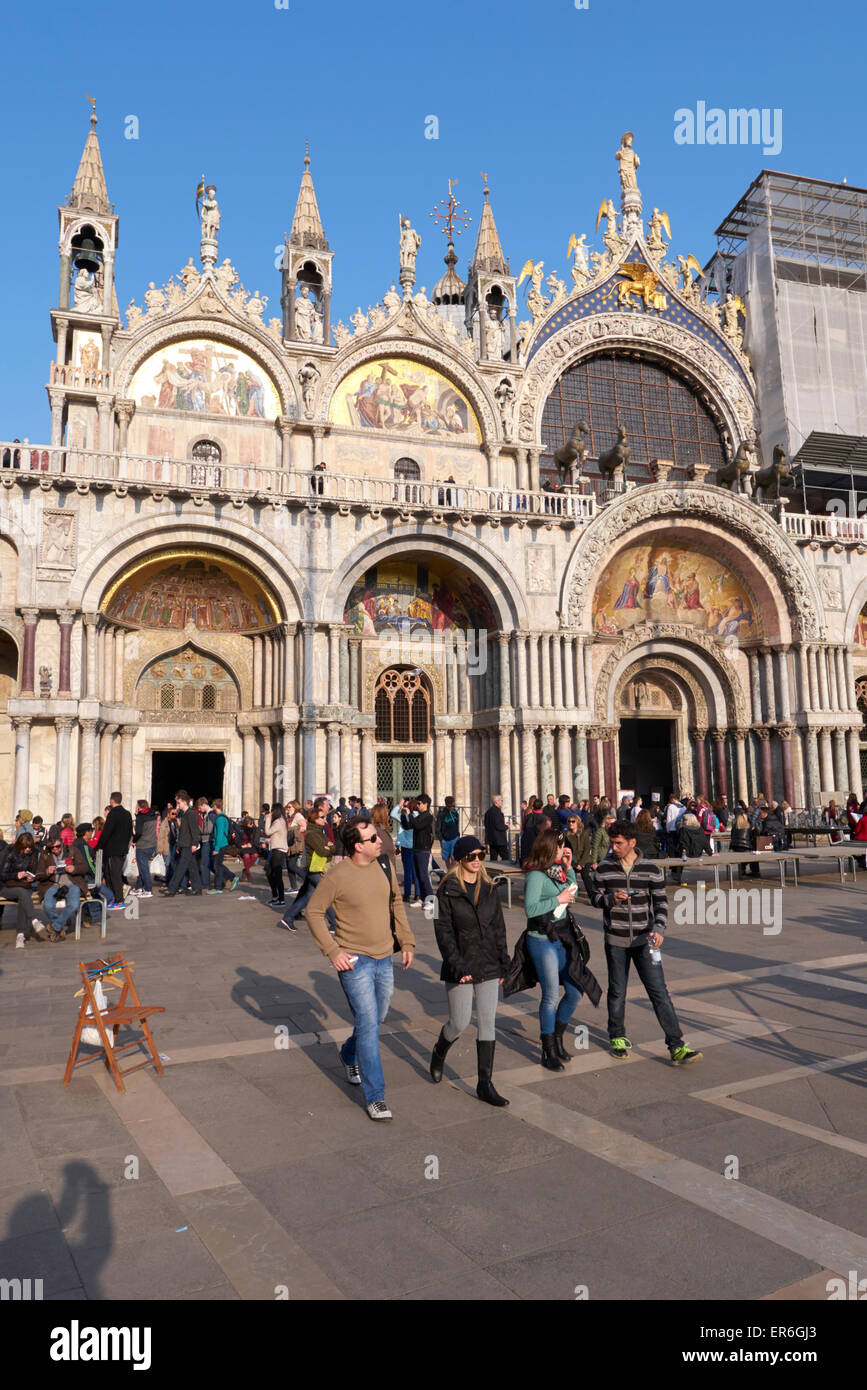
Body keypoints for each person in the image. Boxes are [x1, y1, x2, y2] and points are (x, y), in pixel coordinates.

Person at [306, 816, 415, 1122]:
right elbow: (313, 911)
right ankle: (376, 1096)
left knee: (376, 1018)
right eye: (373, 838)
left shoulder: (384, 866)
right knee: (368, 1022)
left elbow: (396, 903)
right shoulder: (337, 875)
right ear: (357, 846)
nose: (381, 841)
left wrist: (406, 942)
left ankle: (348, 1054)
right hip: (354, 961)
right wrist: (332, 950)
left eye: (378, 836)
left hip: (384, 956)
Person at [588, 821, 702, 1065]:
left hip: (645, 939)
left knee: (659, 992)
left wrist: (659, 928)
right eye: (612, 842)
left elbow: (661, 903)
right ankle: (617, 1037)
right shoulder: (605, 868)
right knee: (617, 991)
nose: (614, 847)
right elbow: (595, 898)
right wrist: (610, 898)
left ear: (632, 843)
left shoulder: (651, 869)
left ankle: (676, 1044)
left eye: (619, 843)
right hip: (616, 939)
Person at [504, 829, 600, 1070]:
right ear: (548, 847)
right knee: (550, 996)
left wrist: (568, 867)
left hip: (562, 937)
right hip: (541, 939)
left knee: (575, 990)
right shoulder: (536, 875)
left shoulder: (557, 871)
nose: (562, 849)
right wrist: (557, 900)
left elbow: (572, 893)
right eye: (559, 846)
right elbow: (531, 909)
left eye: (563, 845)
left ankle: (557, 1037)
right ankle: (547, 1050)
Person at [430, 836, 511, 1106]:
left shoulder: (490, 888)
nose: (477, 861)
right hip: (461, 965)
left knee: (488, 1021)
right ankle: (440, 1049)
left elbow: (499, 928)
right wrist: (457, 964)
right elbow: (443, 934)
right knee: (459, 1022)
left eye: (481, 855)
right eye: (471, 856)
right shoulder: (446, 891)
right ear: (461, 859)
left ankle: (484, 1084)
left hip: (488, 963)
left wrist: (504, 960)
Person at [279, 798, 336, 931]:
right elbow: (323, 850)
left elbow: (332, 846)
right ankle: (334, 924)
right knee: (325, 895)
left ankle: (288, 917)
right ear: (315, 819)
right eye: (321, 817)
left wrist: (330, 848)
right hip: (315, 869)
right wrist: (329, 848)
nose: (323, 819)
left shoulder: (318, 832)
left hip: (316, 868)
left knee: (308, 896)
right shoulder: (312, 834)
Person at [35, 833, 89, 939]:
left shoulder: (72, 851)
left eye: (58, 846)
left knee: (74, 905)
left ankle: (55, 927)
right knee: (48, 906)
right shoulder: (45, 854)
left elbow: (84, 867)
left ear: (62, 844)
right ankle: (59, 928)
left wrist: (74, 869)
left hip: (72, 883)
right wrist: (47, 871)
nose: (55, 849)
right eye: (52, 847)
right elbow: (38, 875)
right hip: (52, 884)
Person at [1, 834, 50, 945]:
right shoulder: (10, 853)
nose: (28, 849)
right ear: (20, 845)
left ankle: (21, 935)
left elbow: (34, 872)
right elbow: (2, 875)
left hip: (24, 885)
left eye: (30, 847)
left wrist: (31, 877)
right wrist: (16, 875)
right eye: (25, 847)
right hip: (6, 887)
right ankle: (32, 921)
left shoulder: (33, 853)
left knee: (24, 895)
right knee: (23, 893)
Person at [162, 791, 202, 897]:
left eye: (179, 803)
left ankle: (172, 889)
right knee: (192, 868)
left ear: (184, 802)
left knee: (180, 868)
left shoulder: (191, 813)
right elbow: (183, 831)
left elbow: (194, 830)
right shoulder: (184, 814)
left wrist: (194, 844)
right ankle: (197, 889)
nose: (177, 805)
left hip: (189, 845)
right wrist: (179, 845)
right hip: (184, 844)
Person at [100, 792, 133, 909]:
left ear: (111, 800)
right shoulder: (127, 814)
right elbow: (130, 832)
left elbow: (106, 833)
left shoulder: (113, 814)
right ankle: (112, 897)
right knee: (110, 873)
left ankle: (119, 900)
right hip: (122, 849)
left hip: (113, 849)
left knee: (115, 875)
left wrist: (99, 846)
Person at [407, 793, 434, 907]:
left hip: (424, 849)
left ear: (425, 804)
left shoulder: (428, 816)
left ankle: (431, 901)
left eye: (419, 803)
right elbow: (409, 826)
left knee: (423, 875)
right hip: (416, 847)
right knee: (418, 875)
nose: (417, 805)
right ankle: (423, 899)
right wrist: (405, 816)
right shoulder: (419, 816)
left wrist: (411, 816)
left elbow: (418, 826)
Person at [391, 798, 417, 904]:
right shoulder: (418, 817)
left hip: (407, 846)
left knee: (408, 872)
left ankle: (407, 894)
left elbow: (392, 814)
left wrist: (399, 804)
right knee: (416, 872)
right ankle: (417, 894)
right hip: (416, 846)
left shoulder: (404, 817)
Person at [132, 799, 159, 898]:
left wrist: (134, 841)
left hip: (143, 845)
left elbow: (138, 832)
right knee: (143, 868)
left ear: (139, 807)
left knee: (144, 869)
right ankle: (139, 887)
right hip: (152, 844)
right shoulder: (153, 814)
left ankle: (148, 890)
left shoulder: (141, 817)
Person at [263, 801, 289, 906]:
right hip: (276, 849)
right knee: (270, 872)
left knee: (276, 875)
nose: (271, 812)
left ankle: (281, 899)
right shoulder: (281, 821)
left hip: (278, 850)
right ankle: (275, 896)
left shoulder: (278, 821)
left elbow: (268, 832)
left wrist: (268, 818)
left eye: (273, 810)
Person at [209, 799, 236, 893]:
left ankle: (218, 887)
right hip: (222, 844)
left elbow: (219, 834)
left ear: (216, 806)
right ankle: (231, 877)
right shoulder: (223, 817)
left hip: (220, 844)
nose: (212, 807)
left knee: (217, 866)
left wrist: (216, 848)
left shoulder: (220, 819)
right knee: (218, 865)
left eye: (213, 805)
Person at [730, 806, 758, 877]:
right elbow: (751, 837)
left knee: (743, 854)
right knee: (754, 856)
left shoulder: (734, 826)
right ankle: (755, 872)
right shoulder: (748, 827)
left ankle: (743, 869)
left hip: (735, 847)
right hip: (746, 847)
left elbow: (732, 836)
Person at [483, 794, 509, 862]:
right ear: (496, 802)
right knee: (505, 857)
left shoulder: (488, 811)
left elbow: (486, 824)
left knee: (493, 857)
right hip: (499, 839)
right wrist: (506, 826)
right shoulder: (497, 812)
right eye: (501, 800)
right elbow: (498, 826)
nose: (502, 802)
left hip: (492, 839)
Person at [435, 797, 461, 866]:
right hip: (445, 839)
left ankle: (452, 873)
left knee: (453, 857)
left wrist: (458, 835)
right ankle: (449, 872)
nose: (451, 808)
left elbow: (457, 824)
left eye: (453, 806)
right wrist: (441, 839)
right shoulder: (442, 813)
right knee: (446, 858)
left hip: (454, 837)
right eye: (450, 806)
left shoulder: (455, 813)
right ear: (446, 804)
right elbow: (438, 827)